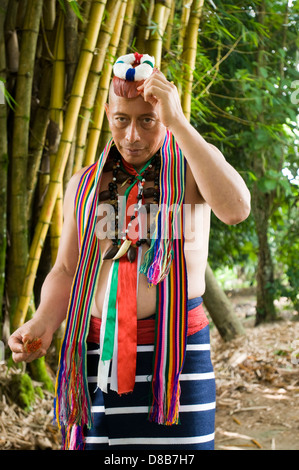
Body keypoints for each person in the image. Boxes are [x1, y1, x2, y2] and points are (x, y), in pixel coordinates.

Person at [8, 53, 250, 450]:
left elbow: (237, 209)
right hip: (97, 356)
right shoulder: (84, 184)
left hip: (177, 362)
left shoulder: (192, 170)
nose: (133, 135)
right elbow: (67, 269)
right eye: (122, 119)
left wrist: (179, 123)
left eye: (147, 120)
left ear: (166, 115)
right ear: (107, 114)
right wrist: (42, 323)